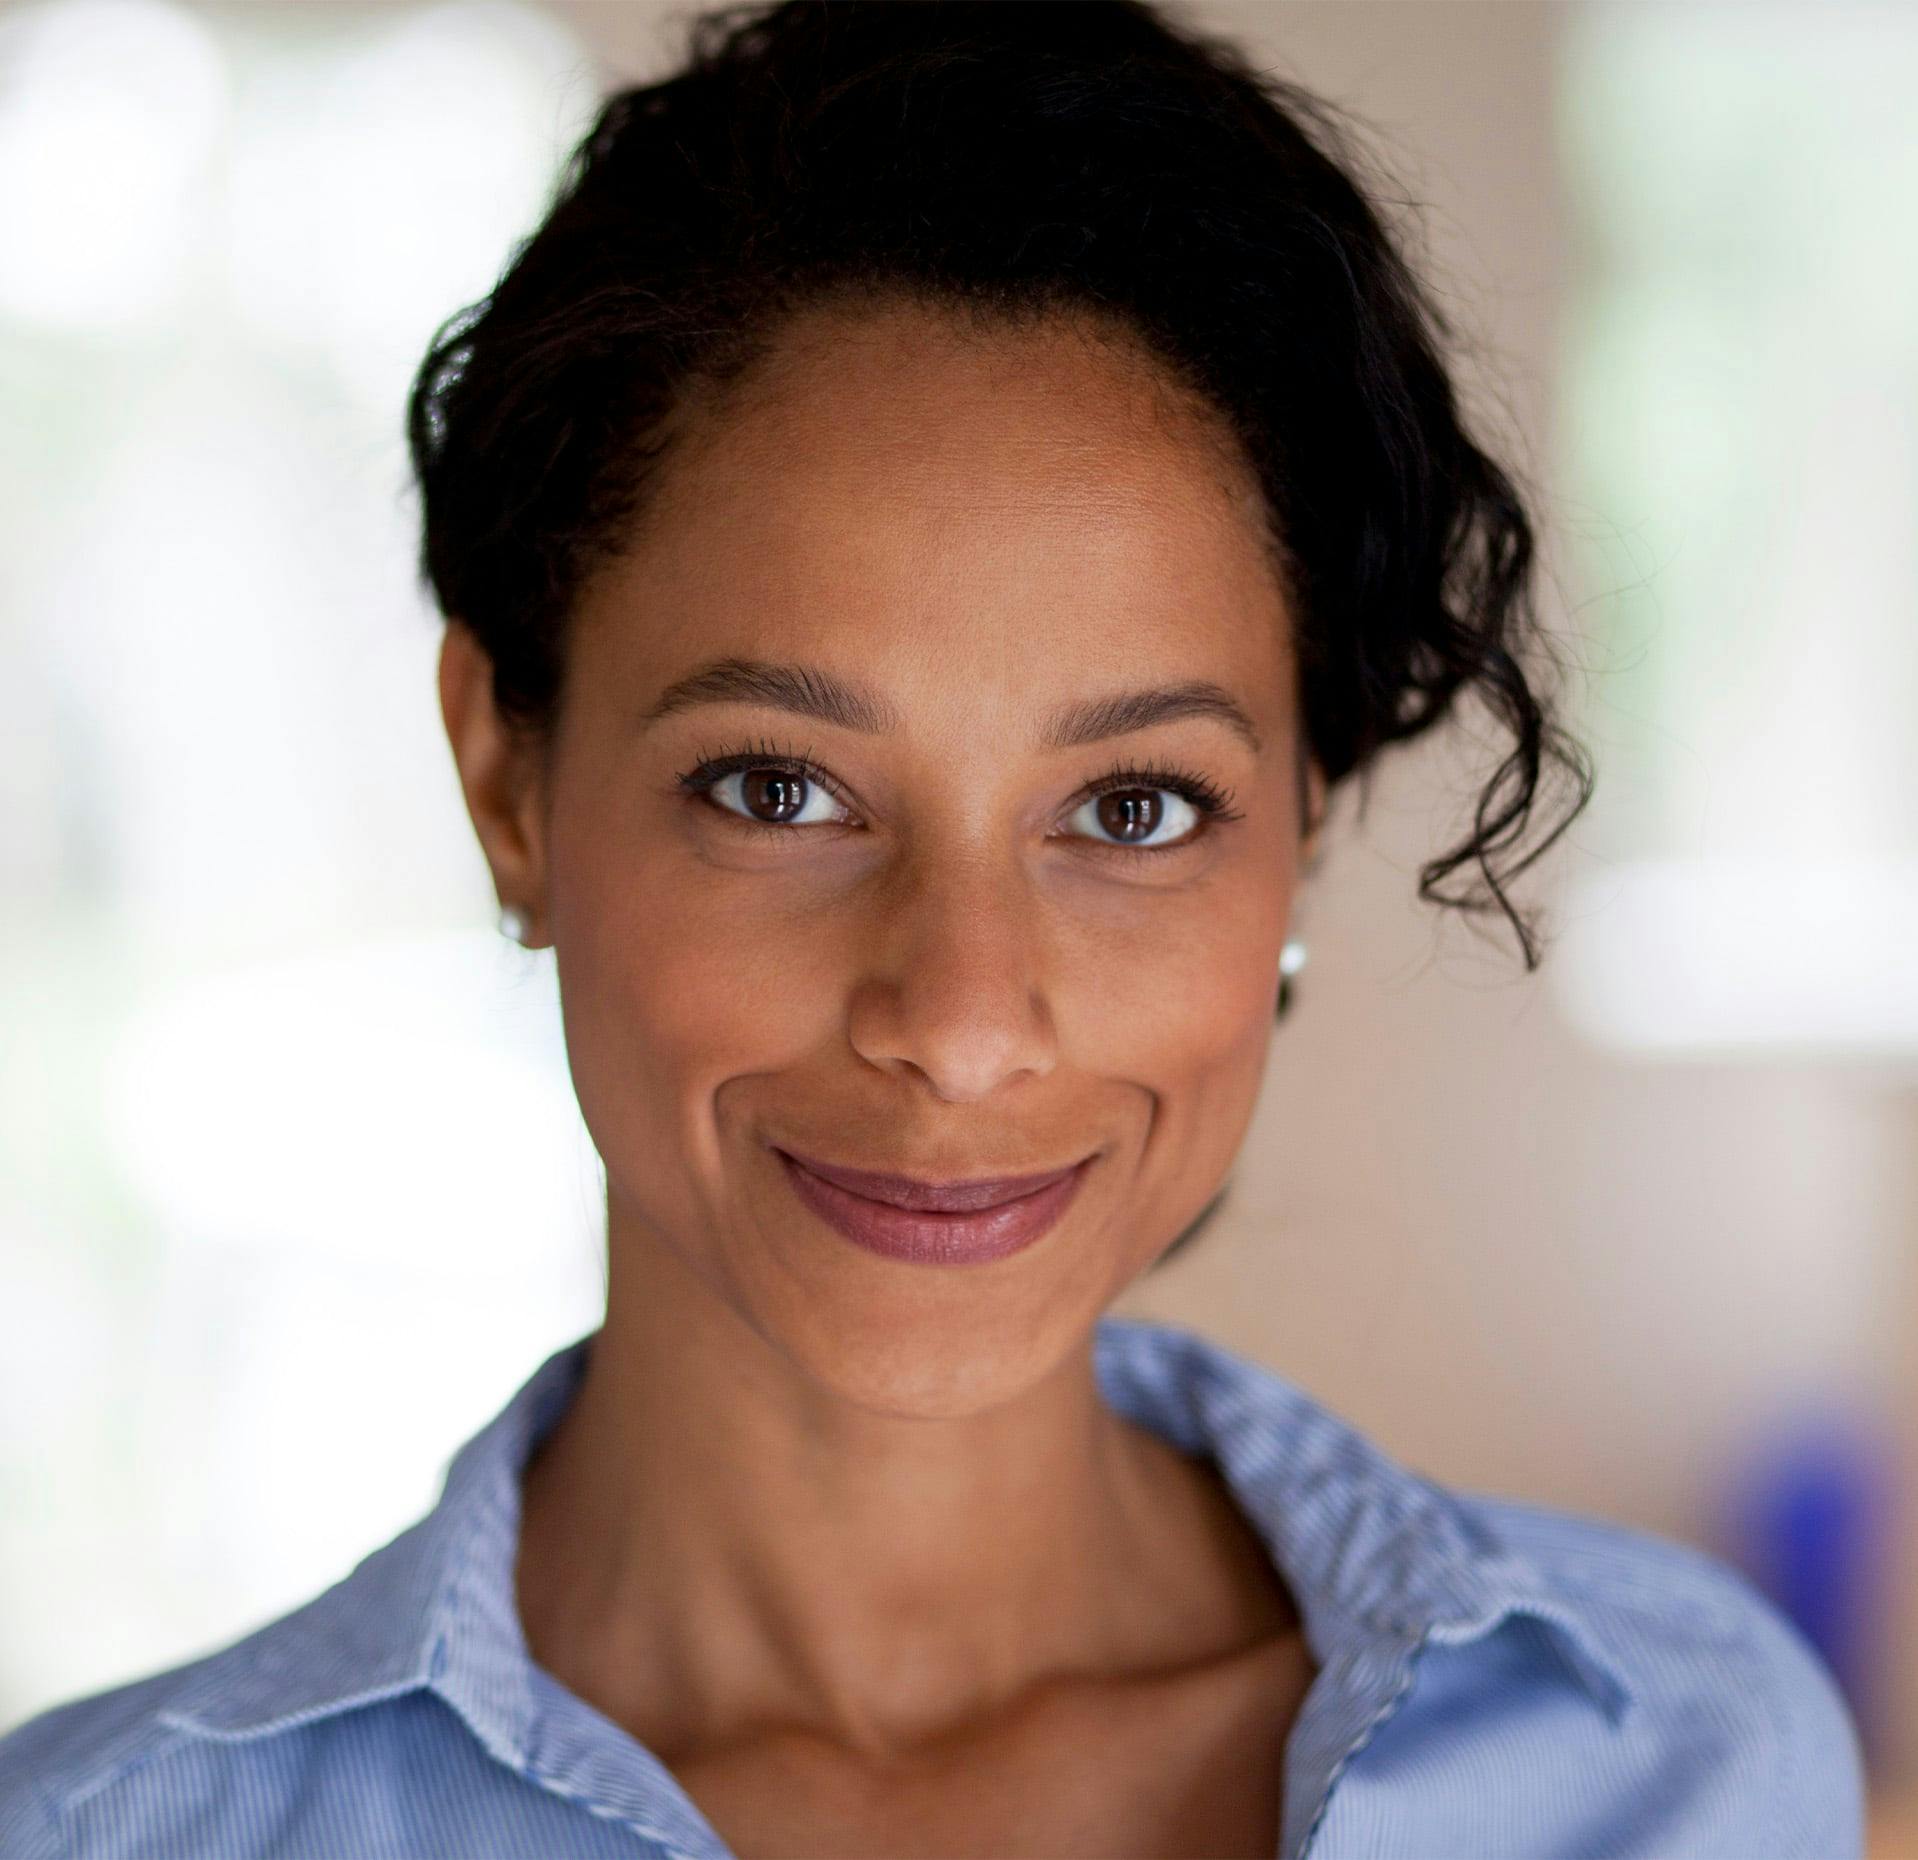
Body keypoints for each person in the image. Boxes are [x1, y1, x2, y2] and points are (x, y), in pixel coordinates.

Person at [0, 2, 1866, 1855]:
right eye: (779, 789)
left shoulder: (1677, 1761)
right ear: (509, 784)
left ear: (1295, 831)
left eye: (1133, 809)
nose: (963, 1020)